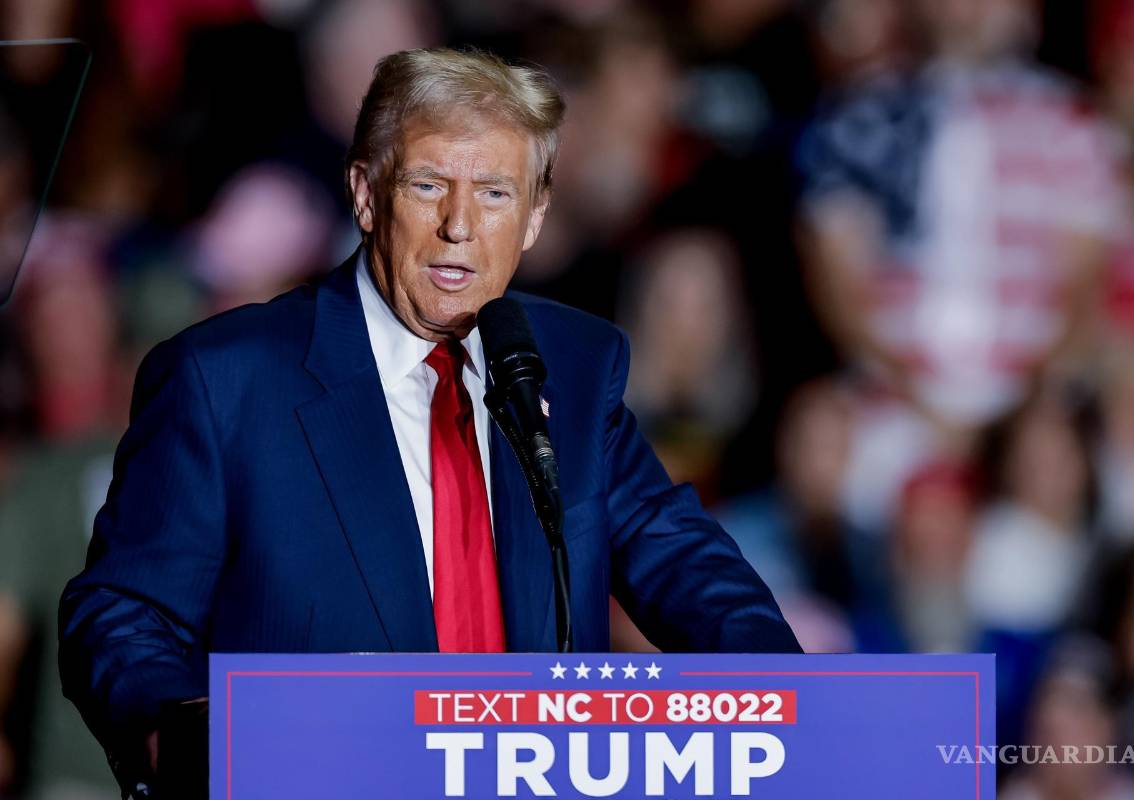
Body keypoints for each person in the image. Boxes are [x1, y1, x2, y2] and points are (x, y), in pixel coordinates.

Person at [57, 47, 801, 793]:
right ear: (366, 194)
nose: (459, 225)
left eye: (494, 194)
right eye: (428, 185)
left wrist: (798, 709)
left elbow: (685, 565)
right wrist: (187, 734)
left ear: (536, 215)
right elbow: (121, 611)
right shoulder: (227, 380)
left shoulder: (572, 365)